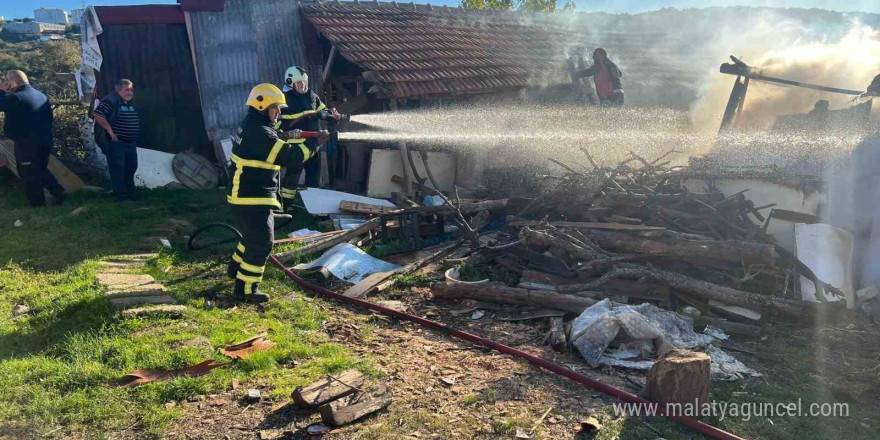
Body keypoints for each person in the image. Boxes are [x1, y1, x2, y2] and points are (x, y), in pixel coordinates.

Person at [226, 83, 316, 303]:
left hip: (247, 194)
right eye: (275, 108)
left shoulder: (253, 126)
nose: (278, 113)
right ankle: (246, 288)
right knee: (262, 242)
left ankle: (235, 268)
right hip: (252, 196)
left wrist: (286, 136)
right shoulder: (259, 133)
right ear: (261, 107)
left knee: (251, 235)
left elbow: (273, 141)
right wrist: (314, 144)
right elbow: (291, 157)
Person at [0, 70, 66, 206]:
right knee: (40, 168)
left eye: (7, 81)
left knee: (29, 172)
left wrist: (1, 91)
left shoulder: (16, 97)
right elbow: (49, 118)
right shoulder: (40, 95)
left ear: (13, 82)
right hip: (45, 138)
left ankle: (37, 203)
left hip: (27, 142)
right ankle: (58, 192)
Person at [277, 66, 339, 206]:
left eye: (305, 81)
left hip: (313, 146)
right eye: (299, 83)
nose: (303, 85)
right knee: (292, 179)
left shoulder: (312, 95)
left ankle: (314, 207)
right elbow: (277, 121)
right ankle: (286, 206)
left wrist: (331, 115)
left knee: (314, 178)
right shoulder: (284, 100)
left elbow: (323, 110)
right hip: (295, 147)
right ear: (290, 83)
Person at [93, 79, 140, 201]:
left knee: (131, 167)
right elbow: (98, 114)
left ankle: (131, 193)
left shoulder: (128, 102)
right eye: (127, 90)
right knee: (118, 169)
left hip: (130, 142)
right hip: (117, 142)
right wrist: (110, 131)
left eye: (131, 89)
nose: (130, 92)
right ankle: (121, 197)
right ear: (118, 90)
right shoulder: (111, 100)